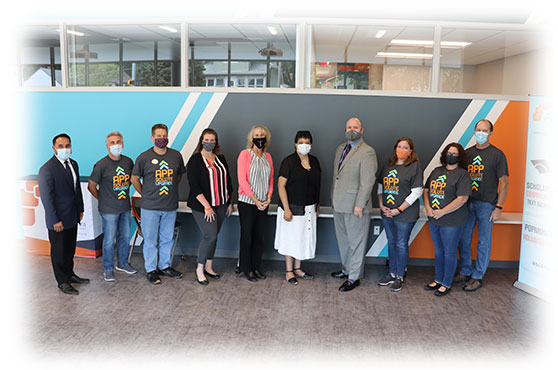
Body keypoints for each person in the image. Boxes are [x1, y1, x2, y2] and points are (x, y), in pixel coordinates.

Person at [455, 119, 509, 292]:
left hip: (487, 204)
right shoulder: (467, 154)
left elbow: (504, 182)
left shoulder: (497, 155)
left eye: (485, 130)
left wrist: (499, 207)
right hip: (467, 203)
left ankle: (477, 276)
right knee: (464, 239)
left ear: (491, 133)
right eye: (478, 130)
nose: (481, 133)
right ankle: (465, 271)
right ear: (474, 131)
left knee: (483, 242)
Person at [131, 123, 185, 285]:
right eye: (158, 136)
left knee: (167, 238)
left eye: (164, 135)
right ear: (152, 138)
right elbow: (134, 179)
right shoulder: (144, 157)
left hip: (169, 205)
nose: (162, 139)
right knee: (150, 239)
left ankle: (165, 266)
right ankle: (151, 269)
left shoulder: (175, 155)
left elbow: (179, 176)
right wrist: (145, 194)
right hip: (150, 207)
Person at [38, 133, 89, 295]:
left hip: (72, 216)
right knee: (58, 251)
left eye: (67, 145)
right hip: (58, 220)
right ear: (54, 148)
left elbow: (76, 190)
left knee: (69, 249)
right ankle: (62, 281)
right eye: (61, 146)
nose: (65, 149)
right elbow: (47, 197)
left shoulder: (73, 164)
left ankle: (70, 274)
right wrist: (55, 219)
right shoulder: (47, 169)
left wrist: (80, 209)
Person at [331, 117, 377, 292]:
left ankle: (354, 277)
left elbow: (368, 181)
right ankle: (346, 269)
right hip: (338, 203)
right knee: (344, 241)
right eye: (349, 127)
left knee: (356, 242)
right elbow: (336, 176)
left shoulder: (367, 152)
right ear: (345, 129)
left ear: (362, 130)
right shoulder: (340, 149)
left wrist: (360, 204)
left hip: (356, 206)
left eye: (355, 127)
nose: (352, 129)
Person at [186, 128, 233, 285]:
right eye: (206, 140)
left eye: (212, 140)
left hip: (220, 203)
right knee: (210, 236)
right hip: (202, 206)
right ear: (201, 141)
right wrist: (207, 206)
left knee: (215, 236)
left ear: (216, 142)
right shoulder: (195, 160)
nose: (209, 143)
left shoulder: (220, 158)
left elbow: (228, 181)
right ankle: (199, 269)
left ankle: (209, 267)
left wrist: (230, 202)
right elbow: (194, 186)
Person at [88, 131, 137, 282]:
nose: (116, 145)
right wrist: (103, 198)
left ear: (123, 143)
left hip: (124, 207)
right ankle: (108, 268)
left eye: (118, 142)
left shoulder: (128, 162)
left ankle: (122, 263)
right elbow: (91, 186)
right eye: (112, 143)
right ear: (107, 146)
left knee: (124, 237)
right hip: (108, 210)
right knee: (109, 240)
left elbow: (131, 180)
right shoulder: (101, 165)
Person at [423, 143, 471, 296]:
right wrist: (428, 207)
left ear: (460, 156)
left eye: (454, 153)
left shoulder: (462, 174)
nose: (451, 155)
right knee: (438, 251)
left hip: (452, 221)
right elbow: (426, 190)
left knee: (449, 252)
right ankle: (438, 279)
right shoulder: (437, 171)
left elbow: (462, 199)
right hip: (434, 219)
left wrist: (442, 212)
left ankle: (446, 283)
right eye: (449, 152)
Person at [275, 130, 321, 285]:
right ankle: (289, 271)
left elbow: (318, 185)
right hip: (292, 208)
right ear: (295, 144)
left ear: (311, 144)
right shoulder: (288, 161)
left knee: (302, 238)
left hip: (309, 207)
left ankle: (298, 269)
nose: (304, 145)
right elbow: (281, 186)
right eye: (301, 142)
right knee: (290, 239)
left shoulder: (314, 161)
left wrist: (317, 206)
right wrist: (287, 209)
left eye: (307, 142)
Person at [377, 137, 422, 292]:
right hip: (387, 212)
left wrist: (399, 209)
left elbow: (416, 192)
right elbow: (380, 187)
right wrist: (382, 206)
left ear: (410, 151)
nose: (401, 149)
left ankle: (400, 276)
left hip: (405, 214)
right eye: (399, 146)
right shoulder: (387, 166)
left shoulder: (414, 167)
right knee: (391, 242)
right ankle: (391, 273)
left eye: (405, 147)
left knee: (401, 243)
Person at [237, 124, 274, 282]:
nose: (259, 138)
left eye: (262, 135)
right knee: (247, 236)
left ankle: (256, 266)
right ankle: (246, 268)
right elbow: (242, 180)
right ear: (251, 138)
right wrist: (255, 200)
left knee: (259, 236)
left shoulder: (268, 157)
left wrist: (269, 198)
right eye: (256, 135)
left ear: (266, 138)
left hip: (263, 204)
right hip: (247, 202)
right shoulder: (245, 154)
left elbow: (271, 179)